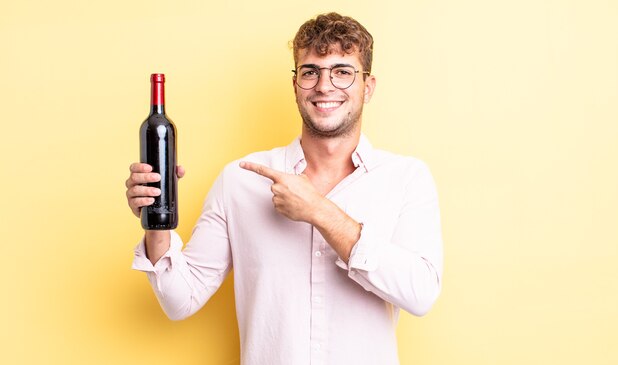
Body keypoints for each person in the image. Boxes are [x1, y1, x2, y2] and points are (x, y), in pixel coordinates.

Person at [126, 12, 443, 365]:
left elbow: (420, 293)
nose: (324, 86)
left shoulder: (405, 178)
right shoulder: (240, 181)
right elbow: (179, 300)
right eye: (310, 72)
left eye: (342, 71)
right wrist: (157, 222)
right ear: (296, 86)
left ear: (367, 88)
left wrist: (319, 211)